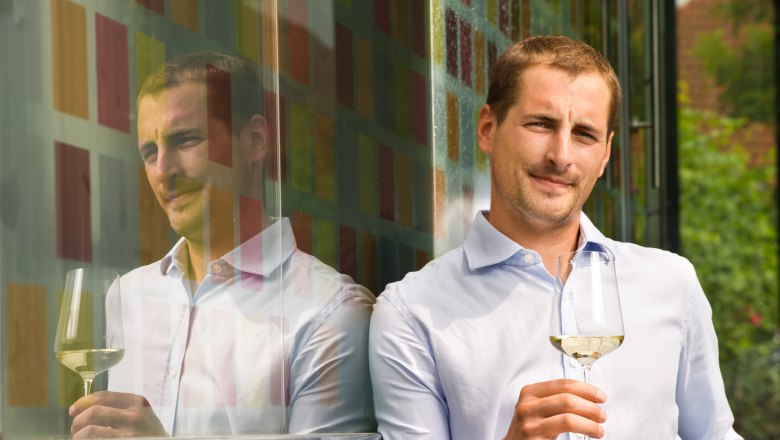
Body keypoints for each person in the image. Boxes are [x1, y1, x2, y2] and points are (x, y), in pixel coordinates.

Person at [369, 35, 741, 439]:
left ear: (605, 155)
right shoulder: (411, 313)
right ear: (488, 129)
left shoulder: (672, 283)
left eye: (584, 134)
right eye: (541, 124)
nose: (561, 155)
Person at [68, 52, 375, 437]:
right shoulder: (126, 295)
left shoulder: (330, 314)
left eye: (186, 140)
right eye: (150, 152)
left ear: (256, 141)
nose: (164, 171)